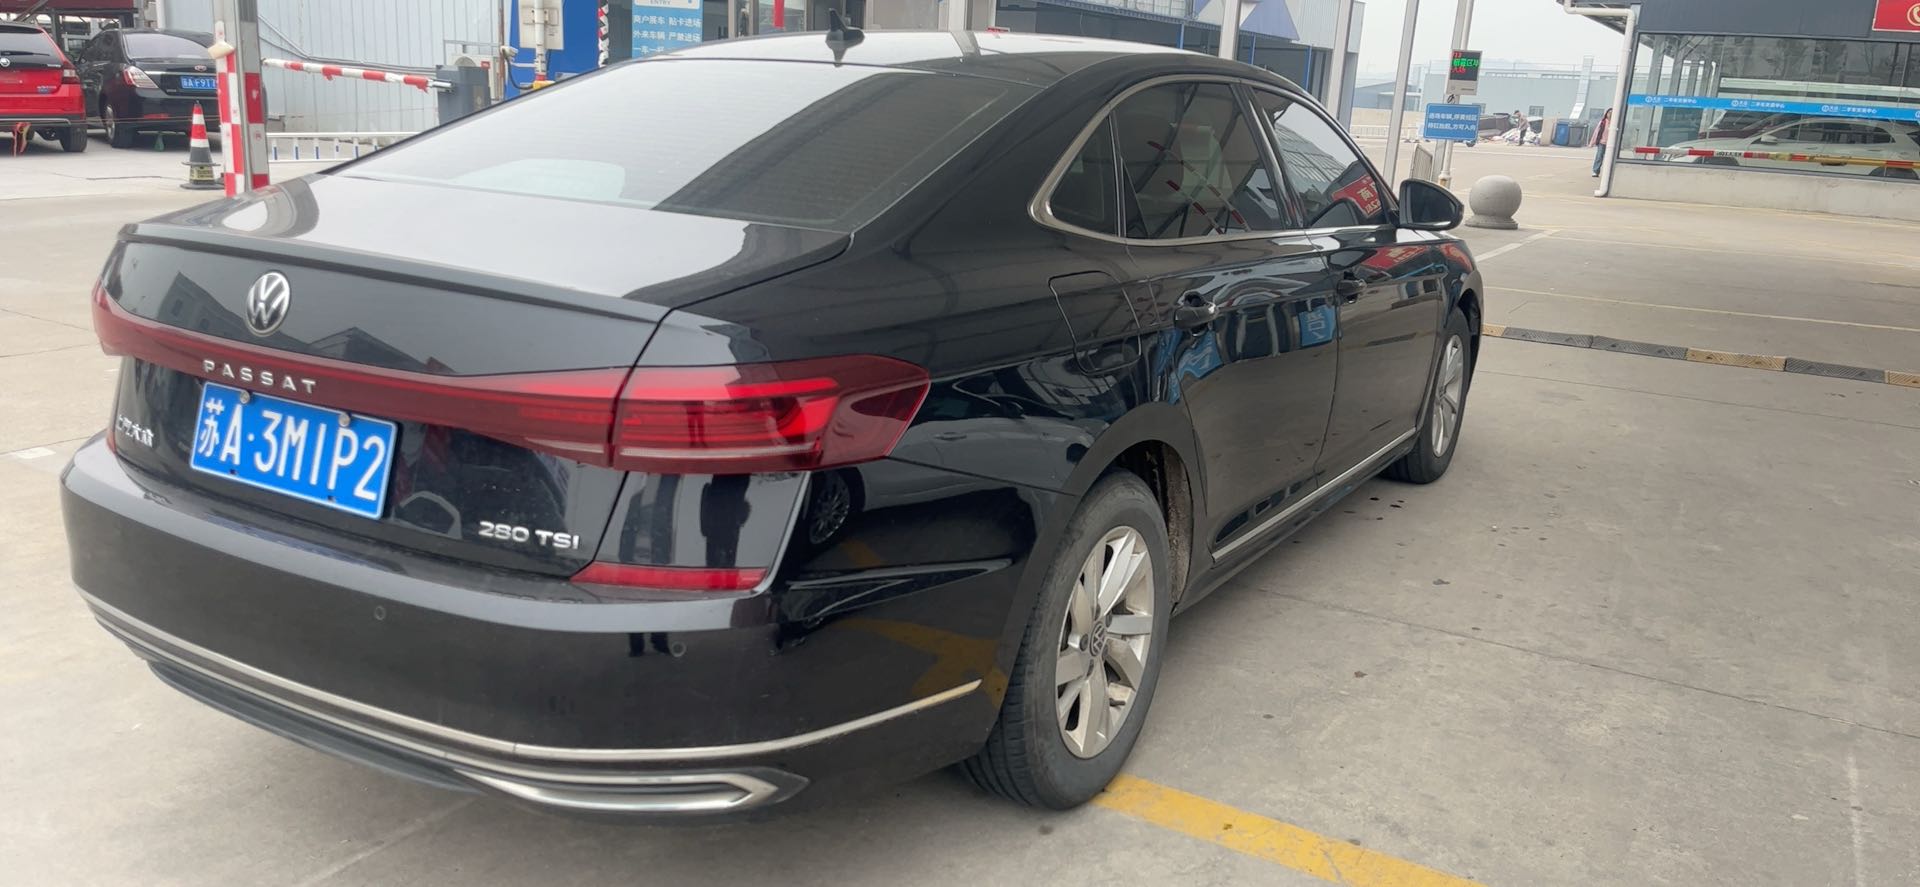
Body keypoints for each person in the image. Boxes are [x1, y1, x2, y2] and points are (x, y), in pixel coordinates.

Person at [1591, 108, 1613, 176]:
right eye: (1609, 113)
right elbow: (1596, 132)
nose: (1610, 114)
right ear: (1606, 114)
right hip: (1602, 142)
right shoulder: (1603, 122)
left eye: (1612, 113)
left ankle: (1609, 172)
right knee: (1599, 156)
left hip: (1611, 144)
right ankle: (1595, 171)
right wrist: (1592, 142)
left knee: (1610, 158)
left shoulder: (1614, 123)